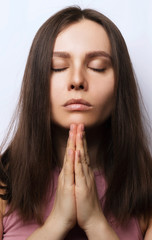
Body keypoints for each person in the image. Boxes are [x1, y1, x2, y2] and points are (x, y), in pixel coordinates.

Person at [0, 6, 152, 240]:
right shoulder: (3, 182)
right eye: (58, 67)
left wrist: (95, 222)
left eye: (97, 67)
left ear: (120, 87)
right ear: (38, 81)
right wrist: (57, 222)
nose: (77, 80)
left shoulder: (147, 183)